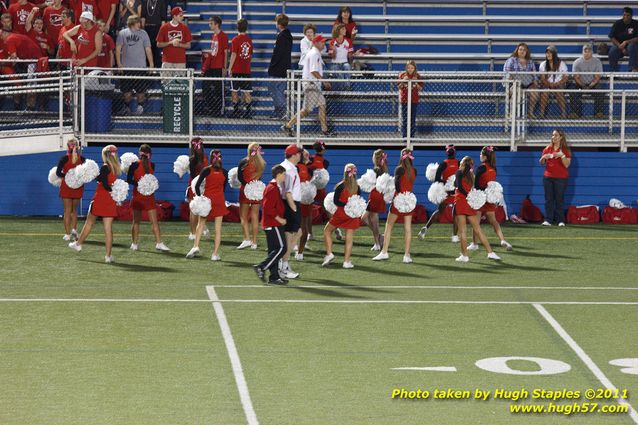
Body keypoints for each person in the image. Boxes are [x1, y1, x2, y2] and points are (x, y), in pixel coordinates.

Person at [68, 144, 121, 264]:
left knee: (89, 223)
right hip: (110, 200)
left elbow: (104, 182)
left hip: (100, 199)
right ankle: (108, 256)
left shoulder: (105, 167)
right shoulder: (115, 168)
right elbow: (107, 180)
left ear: (105, 155)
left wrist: (96, 179)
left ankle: (78, 244)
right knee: (108, 229)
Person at [282, 34, 333, 137]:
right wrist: (324, 81)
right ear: (316, 43)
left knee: (322, 106)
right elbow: (313, 70)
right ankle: (288, 126)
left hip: (313, 85)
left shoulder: (315, 53)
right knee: (306, 111)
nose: (324, 44)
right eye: (322, 42)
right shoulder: (314, 53)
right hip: (311, 85)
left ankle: (325, 130)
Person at [453, 156, 501, 263]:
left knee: (463, 231)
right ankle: (490, 252)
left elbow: (459, 186)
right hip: (470, 203)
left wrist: (465, 195)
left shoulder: (459, 172)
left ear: (462, 163)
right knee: (478, 229)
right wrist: (470, 197)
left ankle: (464, 256)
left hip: (461, 202)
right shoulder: (471, 175)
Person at [372, 148, 416, 264]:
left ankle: (384, 252)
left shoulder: (399, 169)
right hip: (409, 200)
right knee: (407, 229)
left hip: (399, 200)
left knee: (389, 225)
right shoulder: (414, 170)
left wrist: (397, 196)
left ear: (401, 157)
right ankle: (406, 255)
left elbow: (397, 185)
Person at [126, 144, 170, 252]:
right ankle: (159, 243)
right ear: (150, 154)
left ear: (139, 153)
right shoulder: (152, 165)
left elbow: (128, 180)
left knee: (136, 221)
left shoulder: (134, 165)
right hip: (149, 196)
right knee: (154, 222)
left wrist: (138, 184)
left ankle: (134, 244)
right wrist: (144, 184)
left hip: (137, 196)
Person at [186, 149, 228, 261]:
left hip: (208, 201)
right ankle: (215, 254)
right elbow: (223, 188)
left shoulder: (206, 170)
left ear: (210, 158)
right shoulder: (225, 172)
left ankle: (195, 246)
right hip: (219, 201)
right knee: (218, 229)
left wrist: (200, 198)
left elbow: (196, 186)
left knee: (200, 224)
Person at [468, 146, 512, 252]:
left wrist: (471, 176)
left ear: (484, 157)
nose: (479, 156)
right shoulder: (494, 168)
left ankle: (474, 244)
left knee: (476, 222)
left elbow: (477, 185)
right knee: (494, 221)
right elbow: (492, 184)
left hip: (480, 197)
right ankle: (502, 240)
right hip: (490, 198)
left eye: (480, 154)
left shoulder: (481, 168)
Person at [253, 165, 288, 285]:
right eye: (284, 174)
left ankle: (274, 277)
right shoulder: (272, 188)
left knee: (273, 250)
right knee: (282, 248)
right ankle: (261, 267)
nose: (285, 176)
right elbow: (267, 208)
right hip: (273, 223)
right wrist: (279, 219)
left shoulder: (275, 187)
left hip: (271, 223)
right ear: (278, 175)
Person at [322, 163, 362, 268]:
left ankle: (329, 253)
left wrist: (345, 205)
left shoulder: (340, 185)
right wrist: (351, 207)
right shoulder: (357, 187)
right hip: (352, 214)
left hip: (341, 213)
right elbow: (358, 201)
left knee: (327, 231)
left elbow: (336, 202)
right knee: (349, 237)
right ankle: (346, 262)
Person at [418, 144, 460, 242]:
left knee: (440, 211)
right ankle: (454, 236)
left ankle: (426, 228)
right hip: (455, 191)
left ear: (447, 153)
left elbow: (437, 179)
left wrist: (446, 182)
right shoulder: (459, 163)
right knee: (456, 213)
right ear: (455, 152)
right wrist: (452, 184)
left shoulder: (443, 164)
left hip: (445, 191)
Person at [115, 15, 153, 115]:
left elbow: (148, 49)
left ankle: (140, 109)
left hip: (140, 67)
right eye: (137, 23)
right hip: (126, 67)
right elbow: (118, 49)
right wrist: (119, 64)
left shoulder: (143, 33)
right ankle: (126, 108)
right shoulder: (123, 33)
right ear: (132, 23)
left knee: (141, 91)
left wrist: (151, 64)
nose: (139, 24)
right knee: (126, 91)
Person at [279, 144, 302, 279]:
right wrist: (293, 208)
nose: (300, 155)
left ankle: (283, 263)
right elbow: (287, 192)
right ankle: (284, 266)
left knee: (298, 232)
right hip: (291, 203)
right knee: (290, 235)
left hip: (290, 203)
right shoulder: (290, 170)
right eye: (298, 153)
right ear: (294, 155)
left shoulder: (288, 167)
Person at [539, 129, 571, 226]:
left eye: (556, 135)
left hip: (561, 178)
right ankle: (548, 220)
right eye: (553, 135)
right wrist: (544, 157)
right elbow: (541, 163)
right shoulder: (547, 148)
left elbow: (567, 165)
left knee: (559, 199)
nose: (553, 137)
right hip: (548, 177)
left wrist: (562, 156)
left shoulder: (565, 149)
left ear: (561, 137)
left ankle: (560, 220)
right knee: (548, 199)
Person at [55, 139, 86, 241]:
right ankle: (74, 229)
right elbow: (85, 174)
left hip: (67, 186)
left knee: (67, 211)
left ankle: (67, 234)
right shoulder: (82, 159)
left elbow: (58, 173)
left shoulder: (63, 158)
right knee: (74, 210)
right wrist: (75, 177)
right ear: (77, 147)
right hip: (78, 186)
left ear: (68, 147)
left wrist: (68, 176)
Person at [236, 142, 265, 250]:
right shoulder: (261, 163)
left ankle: (247, 239)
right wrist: (254, 187)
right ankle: (254, 242)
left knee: (243, 216)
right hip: (256, 191)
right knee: (255, 217)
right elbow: (259, 178)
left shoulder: (244, 161)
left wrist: (247, 186)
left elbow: (240, 177)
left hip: (245, 190)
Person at [201, 15, 228, 117]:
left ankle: (219, 110)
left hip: (218, 67)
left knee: (218, 90)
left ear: (217, 24)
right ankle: (213, 108)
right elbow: (214, 51)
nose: (209, 25)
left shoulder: (223, 36)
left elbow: (226, 53)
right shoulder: (214, 35)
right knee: (205, 87)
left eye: (211, 23)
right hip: (211, 66)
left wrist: (224, 67)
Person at [569, 44, 605, 119]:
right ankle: (575, 113)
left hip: (593, 84)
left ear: (592, 52)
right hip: (580, 84)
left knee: (600, 91)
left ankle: (598, 113)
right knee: (573, 91)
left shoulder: (597, 61)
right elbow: (576, 77)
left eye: (589, 51)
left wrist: (591, 85)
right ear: (582, 52)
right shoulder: (577, 62)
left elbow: (597, 76)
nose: (587, 53)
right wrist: (583, 86)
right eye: (585, 51)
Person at [503, 42, 539, 118]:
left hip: (528, 84)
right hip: (515, 83)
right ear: (517, 50)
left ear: (527, 52)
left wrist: (535, 81)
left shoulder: (530, 61)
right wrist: (510, 78)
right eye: (520, 49)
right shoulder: (511, 60)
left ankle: (530, 113)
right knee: (516, 92)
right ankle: (512, 113)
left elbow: (534, 74)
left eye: (524, 50)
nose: (522, 51)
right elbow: (507, 72)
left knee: (535, 93)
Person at [267, 13, 292, 119]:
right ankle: (280, 112)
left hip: (278, 69)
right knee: (278, 90)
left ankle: (281, 112)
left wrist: (272, 67)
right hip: (283, 68)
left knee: (276, 90)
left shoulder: (282, 36)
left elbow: (277, 54)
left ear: (279, 23)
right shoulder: (287, 35)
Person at [362, 149, 387, 251]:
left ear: (375, 158)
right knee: (367, 219)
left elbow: (372, 183)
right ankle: (379, 238)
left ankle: (377, 243)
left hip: (375, 196)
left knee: (372, 220)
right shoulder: (383, 168)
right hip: (378, 195)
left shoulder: (377, 169)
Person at [229, 18, 253, 118]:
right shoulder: (249, 40)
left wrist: (230, 67)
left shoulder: (235, 40)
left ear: (237, 27)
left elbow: (234, 54)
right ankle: (248, 112)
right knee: (246, 91)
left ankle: (236, 111)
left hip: (236, 69)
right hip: (246, 69)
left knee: (234, 91)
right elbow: (250, 55)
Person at [156, 6, 191, 71]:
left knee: (179, 81)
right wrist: (170, 42)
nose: (182, 17)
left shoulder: (185, 28)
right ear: (174, 16)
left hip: (180, 61)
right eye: (180, 16)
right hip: (167, 61)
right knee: (166, 81)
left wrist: (179, 45)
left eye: (182, 15)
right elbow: (158, 44)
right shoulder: (164, 27)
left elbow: (188, 45)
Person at [186, 137, 208, 239]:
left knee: (195, 209)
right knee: (198, 208)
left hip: (198, 184)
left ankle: (195, 231)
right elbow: (195, 175)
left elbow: (194, 175)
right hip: (199, 185)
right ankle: (195, 231)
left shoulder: (193, 159)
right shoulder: (203, 158)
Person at [539, 45, 568, 118]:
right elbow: (542, 78)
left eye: (550, 53)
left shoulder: (561, 63)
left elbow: (565, 77)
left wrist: (557, 84)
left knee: (558, 91)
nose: (548, 54)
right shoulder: (543, 64)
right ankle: (541, 113)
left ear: (554, 54)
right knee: (545, 92)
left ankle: (563, 113)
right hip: (547, 84)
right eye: (547, 53)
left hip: (559, 84)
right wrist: (549, 84)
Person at [294, 149, 313, 260]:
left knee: (301, 226)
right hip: (300, 200)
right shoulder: (297, 168)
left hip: (301, 201)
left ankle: (299, 251)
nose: (307, 157)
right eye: (305, 155)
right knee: (299, 226)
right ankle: (298, 249)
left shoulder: (307, 169)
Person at [608, 7, 638, 73]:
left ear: (631, 16)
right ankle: (613, 71)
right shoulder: (617, 23)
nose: (625, 17)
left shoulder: (636, 24)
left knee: (632, 47)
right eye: (624, 15)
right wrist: (621, 47)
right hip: (619, 46)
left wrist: (627, 42)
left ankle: (633, 68)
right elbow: (611, 37)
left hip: (632, 46)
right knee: (612, 52)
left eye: (628, 15)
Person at [398, 60, 423, 139]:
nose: (410, 69)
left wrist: (415, 82)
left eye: (412, 68)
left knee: (412, 118)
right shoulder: (402, 75)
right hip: (405, 100)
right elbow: (399, 86)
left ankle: (412, 136)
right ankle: (405, 135)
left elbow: (420, 88)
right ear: (406, 68)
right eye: (408, 68)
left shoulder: (418, 76)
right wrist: (403, 81)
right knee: (405, 118)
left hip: (414, 100)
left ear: (414, 68)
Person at [140, 0, 167, 68]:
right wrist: (143, 28)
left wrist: (162, 30)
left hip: (157, 27)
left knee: (156, 49)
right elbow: (143, 15)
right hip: (147, 27)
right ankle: (148, 66)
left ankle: (156, 67)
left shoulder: (161, 2)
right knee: (147, 47)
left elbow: (163, 17)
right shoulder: (145, 2)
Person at [329, 23, 353, 90]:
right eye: (343, 29)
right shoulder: (332, 42)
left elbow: (350, 55)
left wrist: (355, 54)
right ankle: (342, 89)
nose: (345, 30)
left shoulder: (348, 41)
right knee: (338, 72)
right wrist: (334, 51)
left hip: (345, 62)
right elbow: (332, 57)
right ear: (338, 31)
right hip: (335, 63)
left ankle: (347, 87)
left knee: (347, 66)